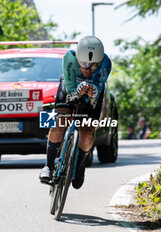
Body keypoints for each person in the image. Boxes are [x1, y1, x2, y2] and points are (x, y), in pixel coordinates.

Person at [39, 36, 112, 189]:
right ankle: (48, 165)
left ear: (99, 62)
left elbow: (99, 86)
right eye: (84, 64)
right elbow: (71, 86)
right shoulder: (69, 57)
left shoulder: (106, 63)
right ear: (78, 58)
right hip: (69, 86)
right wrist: (77, 91)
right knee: (59, 121)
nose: (87, 69)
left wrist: (92, 92)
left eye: (93, 66)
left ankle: (79, 165)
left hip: (93, 93)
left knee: (86, 134)